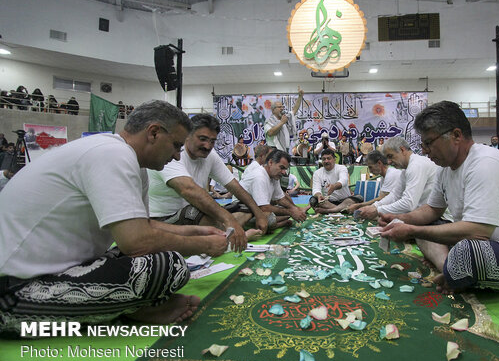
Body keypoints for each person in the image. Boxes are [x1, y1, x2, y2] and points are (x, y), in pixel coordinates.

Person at [0, 100, 230, 335]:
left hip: (63, 269)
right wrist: (202, 245)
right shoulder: (112, 154)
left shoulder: (130, 161)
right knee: (169, 266)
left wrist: (194, 232)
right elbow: (136, 242)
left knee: (163, 257)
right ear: (153, 133)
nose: (175, 155)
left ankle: (124, 308)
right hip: (13, 289)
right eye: (175, 146)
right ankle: (121, 311)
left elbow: (143, 225)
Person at [380, 101, 499, 294]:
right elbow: (431, 210)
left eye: (429, 143)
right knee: (430, 230)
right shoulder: (444, 169)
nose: (424, 150)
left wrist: (412, 230)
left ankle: (455, 270)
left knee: (467, 252)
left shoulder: (485, 163)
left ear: (456, 135)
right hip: (486, 244)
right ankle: (450, 270)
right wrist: (400, 220)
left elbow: (478, 230)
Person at [147, 114, 269, 252]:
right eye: (202, 139)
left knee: (244, 205)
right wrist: (229, 219)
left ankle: (227, 231)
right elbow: (189, 190)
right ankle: (234, 235)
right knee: (196, 211)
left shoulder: (210, 155)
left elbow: (234, 185)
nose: (208, 145)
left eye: (212, 141)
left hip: (197, 214)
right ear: (187, 135)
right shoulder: (172, 154)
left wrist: (258, 213)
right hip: (164, 219)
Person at [355, 136, 439, 220]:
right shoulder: (405, 170)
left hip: (433, 218)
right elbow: (395, 195)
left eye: (390, 156)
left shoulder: (416, 165)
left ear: (402, 150)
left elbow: (408, 204)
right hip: (418, 214)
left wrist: (377, 210)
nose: (388, 161)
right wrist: (374, 206)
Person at [238, 149, 307, 227]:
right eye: (281, 168)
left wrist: (295, 209)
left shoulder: (274, 176)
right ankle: (278, 222)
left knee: (282, 208)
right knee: (269, 219)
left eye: (285, 169)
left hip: (258, 208)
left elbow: (281, 199)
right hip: (243, 209)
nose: (284, 172)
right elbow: (263, 208)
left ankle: (279, 220)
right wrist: (291, 212)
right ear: (270, 163)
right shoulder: (259, 177)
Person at [346, 150, 403, 214]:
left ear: (379, 163)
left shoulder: (391, 174)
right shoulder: (383, 177)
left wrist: (359, 205)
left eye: (370, 167)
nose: (370, 171)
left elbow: (382, 199)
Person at [310, 149, 363, 213]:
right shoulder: (317, 173)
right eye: (324, 159)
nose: (326, 161)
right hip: (328, 202)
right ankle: (341, 210)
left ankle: (329, 210)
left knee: (359, 197)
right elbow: (316, 189)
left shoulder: (342, 168)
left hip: (344, 201)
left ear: (334, 159)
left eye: (329, 158)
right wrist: (319, 196)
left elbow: (344, 180)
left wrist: (334, 186)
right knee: (313, 200)